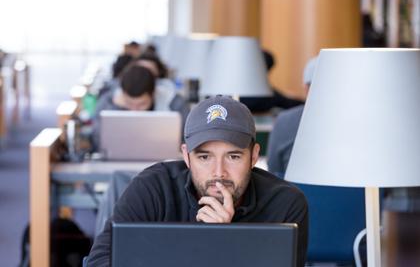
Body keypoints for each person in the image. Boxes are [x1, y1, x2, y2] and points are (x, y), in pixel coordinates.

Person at [87, 95, 308, 266]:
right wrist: (198, 243)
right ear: (186, 157)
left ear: (253, 156)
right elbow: (100, 262)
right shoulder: (153, 188)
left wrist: (224, 242)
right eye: (204, 157)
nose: (219, 172)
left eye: (233, 156)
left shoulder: (285, 204)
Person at [91, 64, 189, 151]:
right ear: (122, 94)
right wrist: (115, 106)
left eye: (142, 104)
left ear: (154, 93)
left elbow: (187, 139)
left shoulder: (174, 102)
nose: (135, 110)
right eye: (129, 103)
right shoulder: (107, 102)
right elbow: (98, 141)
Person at [267, 56, 317, 177]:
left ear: (306, 88)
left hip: (295, 192)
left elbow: (273, 169)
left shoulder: (285, 120)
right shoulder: (358, 123)